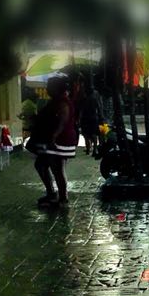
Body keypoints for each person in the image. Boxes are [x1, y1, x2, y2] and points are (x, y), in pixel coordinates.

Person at [30, 74, 77, 207]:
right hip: (52, 139)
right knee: (41, 164)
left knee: (57, 168)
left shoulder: (63, 102)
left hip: (59, 140)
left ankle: (63, 198)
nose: (47, 89)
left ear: (57, 88)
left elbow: (63, 120)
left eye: (50, 87)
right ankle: (51, 193)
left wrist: (54, 136)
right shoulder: (56, 101)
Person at [79, 81, 103, 158]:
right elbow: (99, 108)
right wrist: (100, 116)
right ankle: (94, 149)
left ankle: (89, 149)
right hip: (93, 118)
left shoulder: (84, 98)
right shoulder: (94, 98)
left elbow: (81, 110)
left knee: (86, 134)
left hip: (86, 118)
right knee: (93, 134)